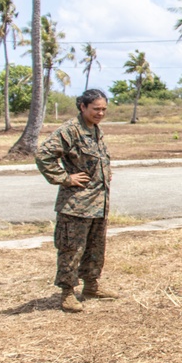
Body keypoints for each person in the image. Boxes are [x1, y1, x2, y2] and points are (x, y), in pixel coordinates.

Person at [35, 88, 118, 313]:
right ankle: (68, 293)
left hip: (98, 202)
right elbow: (44, 155)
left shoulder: (94, 130)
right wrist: (65, 178)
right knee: (72, 249)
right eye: (96, 109)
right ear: (82, 107)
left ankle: (91, 286)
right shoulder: (70, 131)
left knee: (95, 247)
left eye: (103, 109)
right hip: (76, 205)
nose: (100, 113)